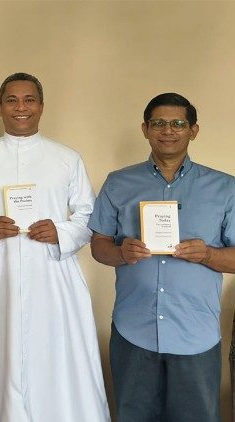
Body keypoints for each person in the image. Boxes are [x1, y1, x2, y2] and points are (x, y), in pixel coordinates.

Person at [0, 73, 110, 421]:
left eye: (29, 100)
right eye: (12, 100)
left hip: (52, 277)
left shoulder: (66, 158)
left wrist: (60, 231)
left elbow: (90, 215)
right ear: (0, 108)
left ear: (41, 106)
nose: (20, 107)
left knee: (54, 357)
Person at [89, 92, 235, 421]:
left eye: (177, 123)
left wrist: (208, 254)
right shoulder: (118, 183)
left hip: (195, 333)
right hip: (133, 331)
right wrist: (120, 252)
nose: (167, 130)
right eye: (158, 123)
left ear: (193, 130)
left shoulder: (225, 188)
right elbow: (99, 244)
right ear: (145, 128)